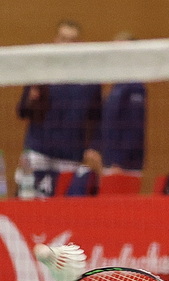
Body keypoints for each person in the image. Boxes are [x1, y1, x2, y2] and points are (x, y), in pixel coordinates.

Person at [14, 20, 102, 198]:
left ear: (80, 44)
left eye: (73, 40)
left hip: (70, 157)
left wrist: (93, 147)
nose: (67, 44)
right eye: (63, 38)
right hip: (37, 152)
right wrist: (30, 99)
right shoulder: (40, 72)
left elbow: (97, 117)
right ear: (56, 40)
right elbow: (22, 111)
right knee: (26, 203)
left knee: (63, 210)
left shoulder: (90, 79)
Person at [81, 32, 147, 179]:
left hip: (125, 167)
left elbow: (134, 127)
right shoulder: (115, 87)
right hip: (109, 162)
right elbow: (106, 123)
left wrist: (120, 162)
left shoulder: (135, 86)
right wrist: (94, 147)